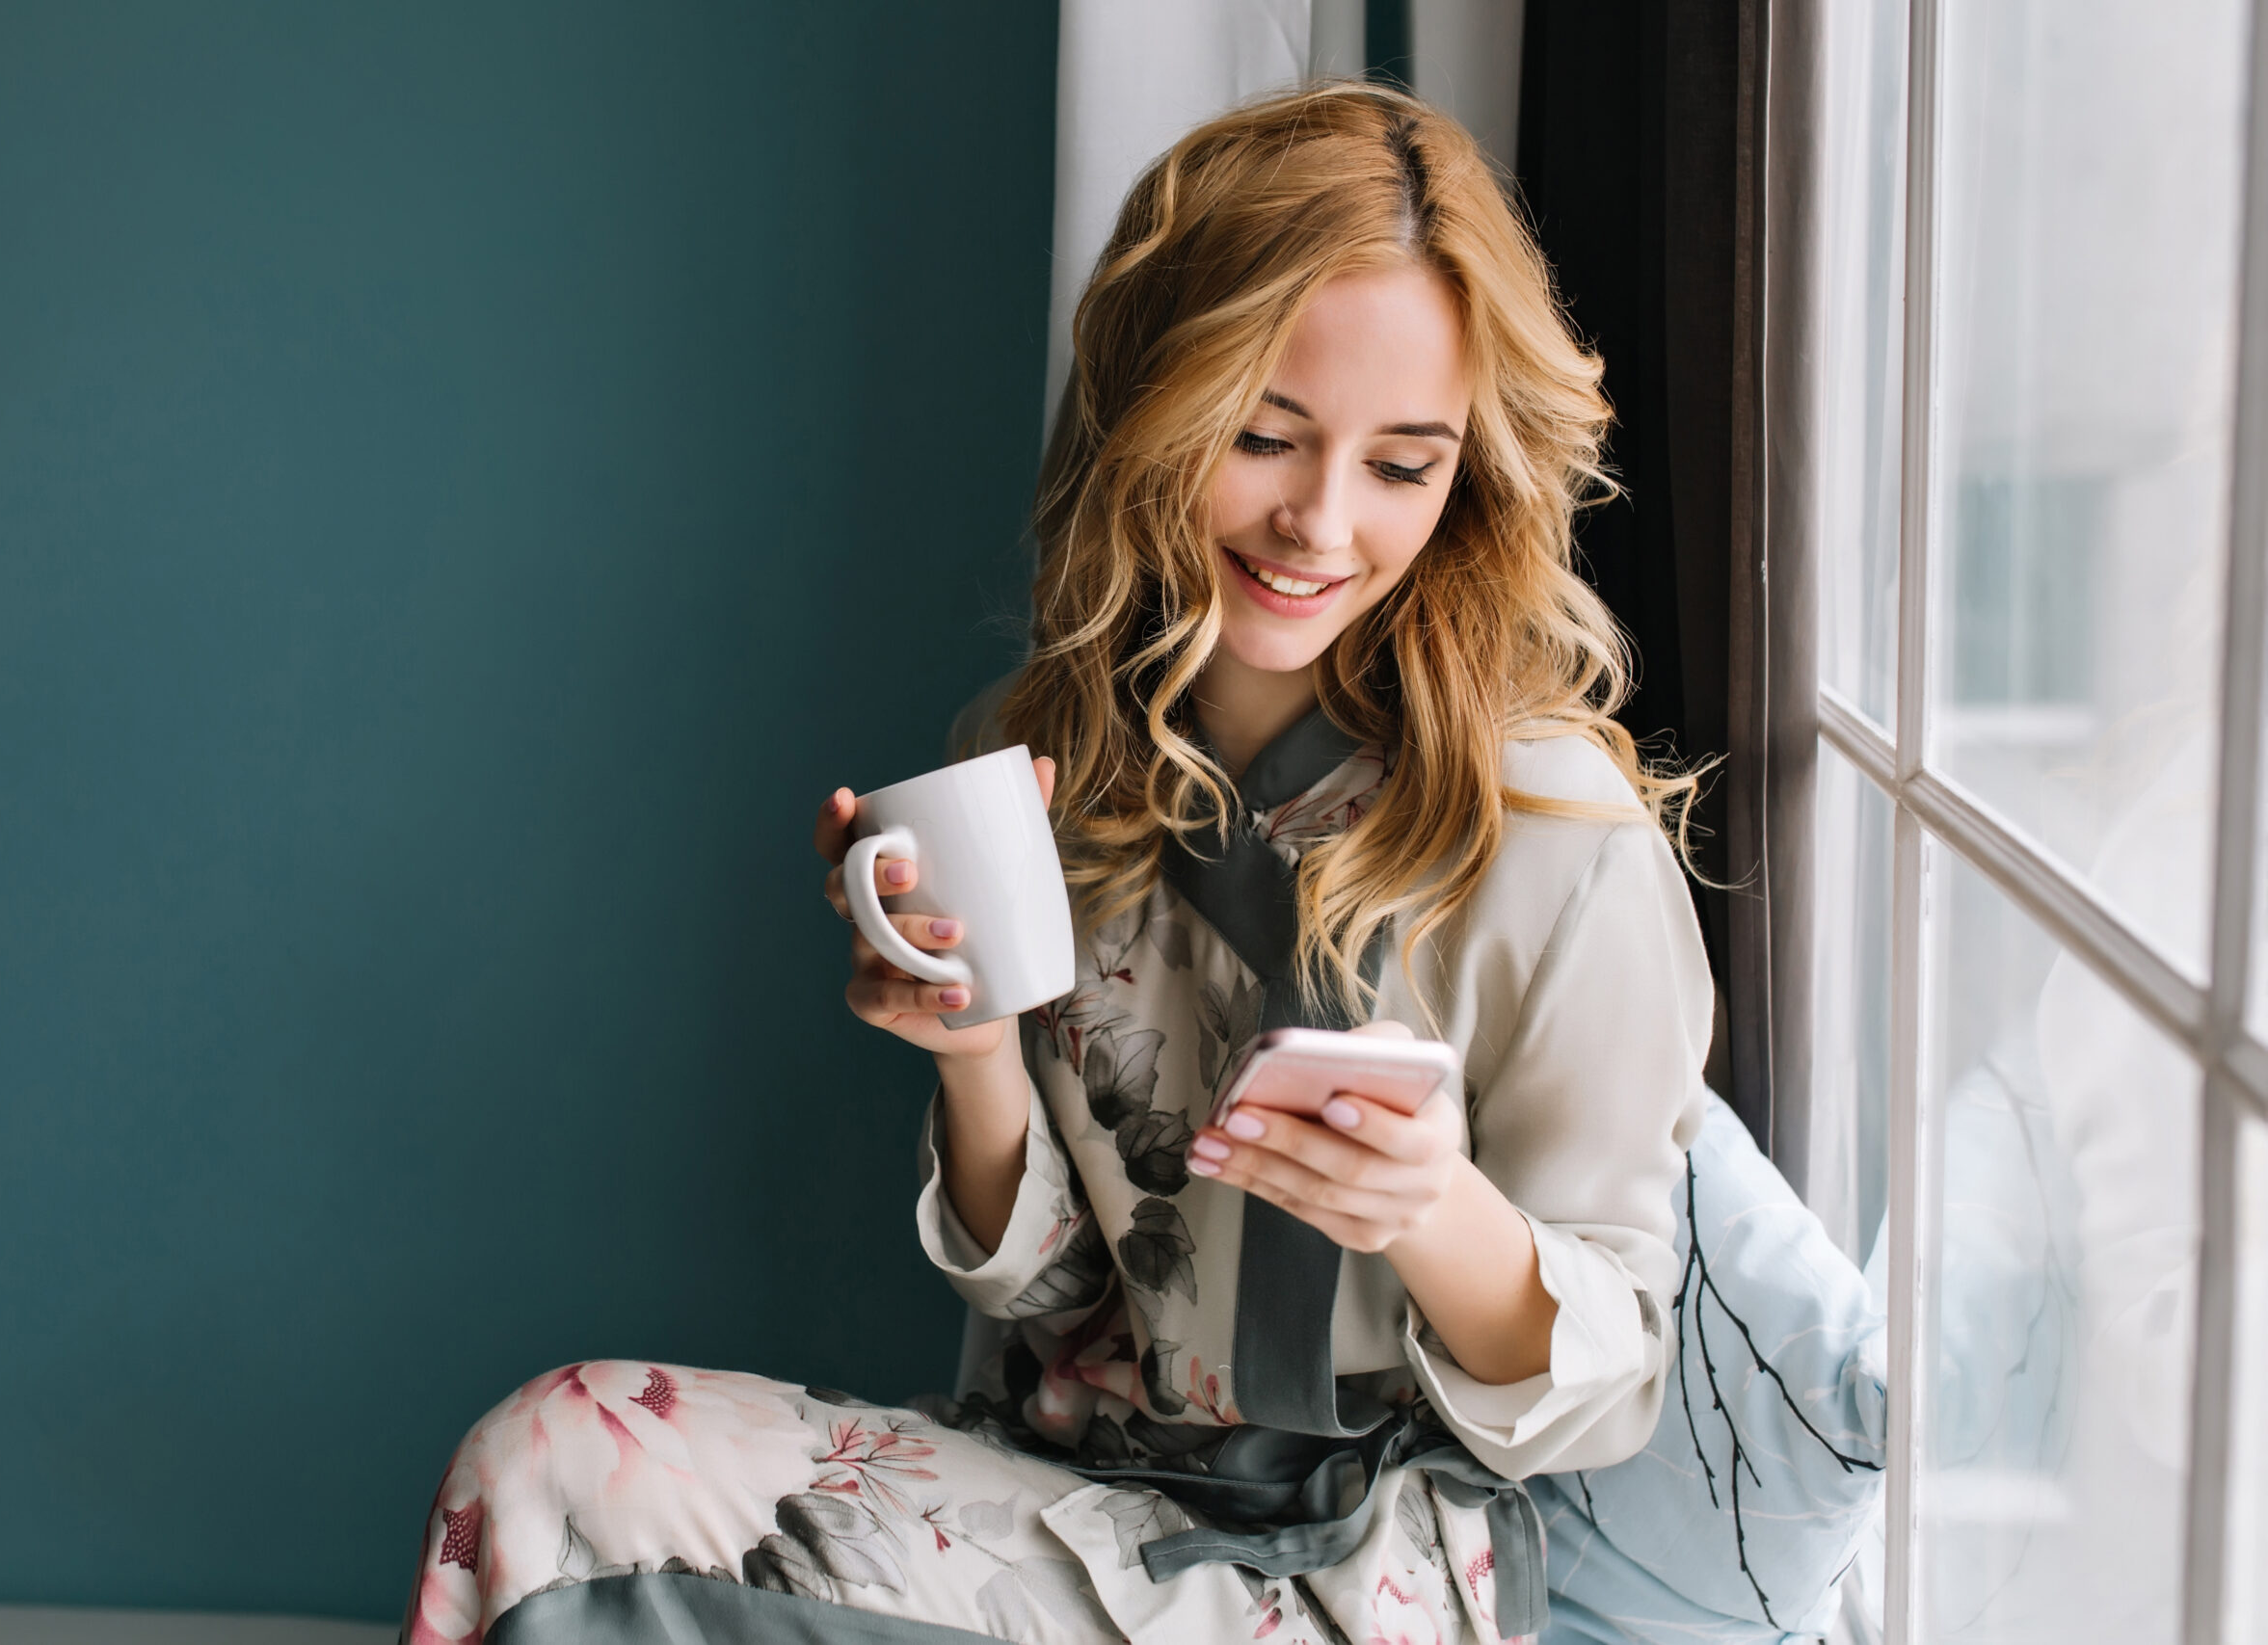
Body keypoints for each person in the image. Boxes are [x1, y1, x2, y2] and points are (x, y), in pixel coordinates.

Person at [399, 81, 1713, 1645]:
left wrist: (1428, 1210)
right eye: (1264, 434)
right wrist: (972, 1057)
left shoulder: (1552, 836)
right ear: (1157, 402)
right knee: (546, 1464)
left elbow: (1613, 1379)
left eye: (1402, 465)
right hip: (1070, 1502)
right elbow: (1058, 1306)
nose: (1319, 520)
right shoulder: (1048, 768)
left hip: (1362, 1580)